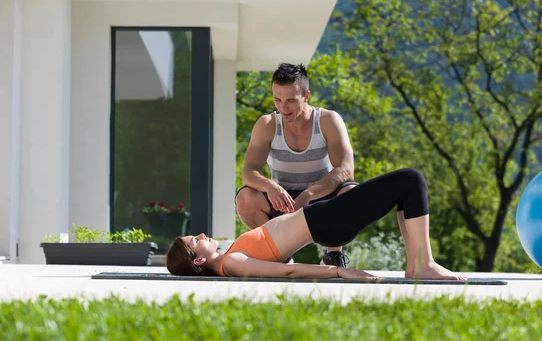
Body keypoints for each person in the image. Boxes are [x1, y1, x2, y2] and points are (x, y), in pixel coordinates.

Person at [167, 168, 466, 281]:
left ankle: (419, 264)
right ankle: (422, 264)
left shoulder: (228, 257)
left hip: (324, 215)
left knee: (406, 186)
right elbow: (288, 270)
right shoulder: (231, 263)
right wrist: (339, 271)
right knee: (411, 180)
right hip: (328, 221)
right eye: (196, 240)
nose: (203, 235)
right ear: (198, 259)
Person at [235, 63, 358, 267]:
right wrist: (270, 186)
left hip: (321, 199)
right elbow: (248, 172)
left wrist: (309, 194)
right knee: (245, 198)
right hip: (282, 201)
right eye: (277, 99)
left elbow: (345, 170)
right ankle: (277, 253)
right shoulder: (267, 125)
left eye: (291, 100)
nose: (283, 107)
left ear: (306, 96)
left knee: (352, 192)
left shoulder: (328, 120)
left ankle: (333, 254)